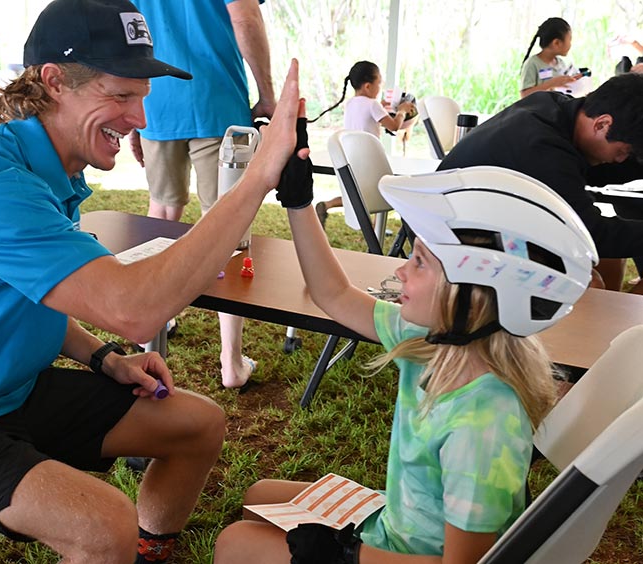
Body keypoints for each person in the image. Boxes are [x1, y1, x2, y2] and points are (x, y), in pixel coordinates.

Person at [0, 0, 304, 562]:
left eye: (141, 97)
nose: (139, 118)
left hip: (9, 393)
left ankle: (150, 552)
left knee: (198, 424)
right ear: (53, 83)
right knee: (102, 523)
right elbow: (136, 309)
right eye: (121, 96)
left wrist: (102, 358)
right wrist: (258, 177)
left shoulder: (43, 167)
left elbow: (31, 297)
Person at [214, 117, 598, 562]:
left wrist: (347, 556)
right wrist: (299, 202)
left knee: (235, 543)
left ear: (470, 294)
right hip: (398, 520)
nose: (400, 270)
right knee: (259, 497)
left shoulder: (484, 425)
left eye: (418, 261)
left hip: (404, 552)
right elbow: (333, 295)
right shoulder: (435, 341)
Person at [128, 0, 275, 389]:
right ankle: (231, 362)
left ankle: (148, 336)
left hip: (155, 101)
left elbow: (128, 33)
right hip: (216, 97)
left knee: (160, 214)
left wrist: (130, 112)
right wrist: (267, 93)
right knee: (229, 226)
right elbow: (244, 15)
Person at [439, 72, 643, 292]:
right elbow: (591, 234)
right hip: (455, 242)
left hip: (486, 224)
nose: (622, 159)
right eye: (623, 152)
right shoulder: (542, 146)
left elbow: (589, 171)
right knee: (585, 281)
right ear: (602, 124)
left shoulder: (552, 109)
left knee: (609, 262)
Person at [309, 60, 416, 228]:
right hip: (370, 159)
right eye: (379, 83)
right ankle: (377, 229)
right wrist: (402, 111)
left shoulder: (351, 103)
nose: (380, 88)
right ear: (367, 86)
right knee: (379, 192)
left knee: (359, 195)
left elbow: (366, 115)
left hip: (350, 157)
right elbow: (395, 126)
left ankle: (329, 206)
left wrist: (382, 107)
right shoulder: (373, 104)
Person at [519, 17, 582, 99]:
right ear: (556, 43)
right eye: (569, 39)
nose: (570, 44)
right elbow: (524, 95)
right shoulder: (532, 63)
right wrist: (551, 84)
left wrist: (572, 80)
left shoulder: (561, 63)